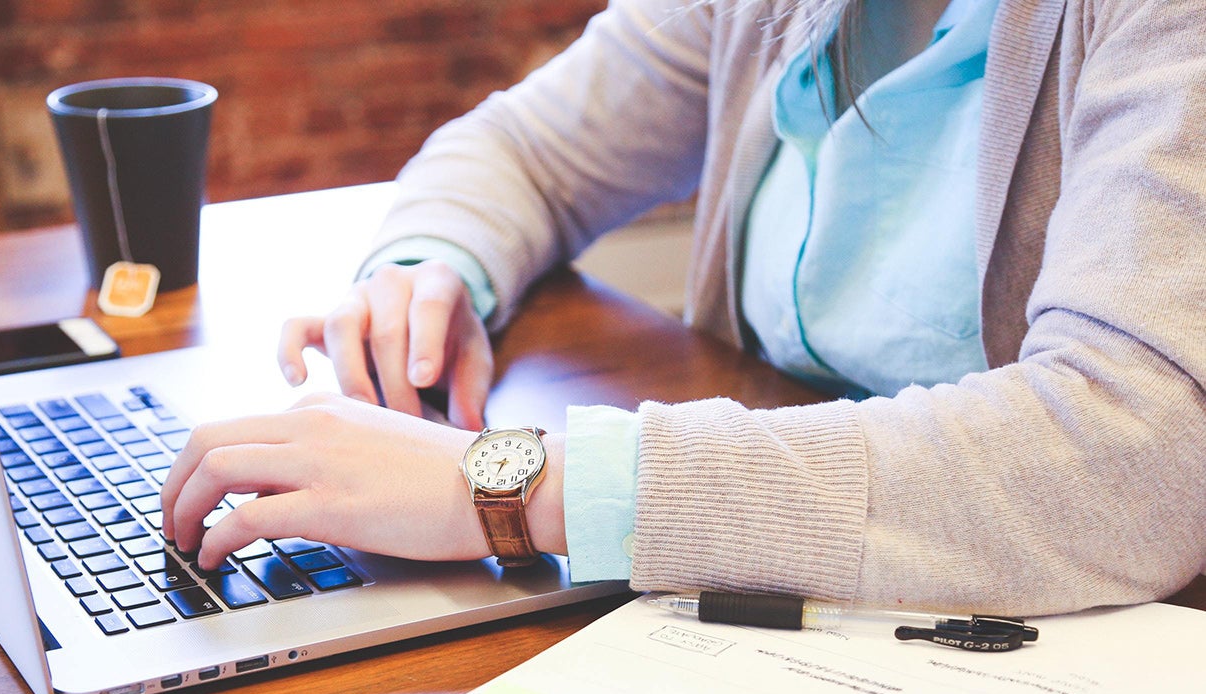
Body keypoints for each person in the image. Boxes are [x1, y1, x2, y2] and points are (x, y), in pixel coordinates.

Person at [161, 0, 1206, 615]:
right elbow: (528, 148)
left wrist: (512, 488)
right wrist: (429, 269)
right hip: (788, 612)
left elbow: (1138, 449)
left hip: (1059, 651)